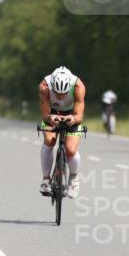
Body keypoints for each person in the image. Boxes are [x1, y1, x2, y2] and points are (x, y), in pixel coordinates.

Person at [38, 66, 85, 198]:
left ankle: (74, 178)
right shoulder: (44, 87)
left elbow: (79, 115)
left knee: (70, 150)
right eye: (57, 93)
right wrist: (50, 118)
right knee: (49, 140)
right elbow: (45, 114)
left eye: (64, 93)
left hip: (72, 114)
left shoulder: (78, 87)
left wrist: (73, 118)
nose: (60, 96)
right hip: (52, 113)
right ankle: (46, 179)